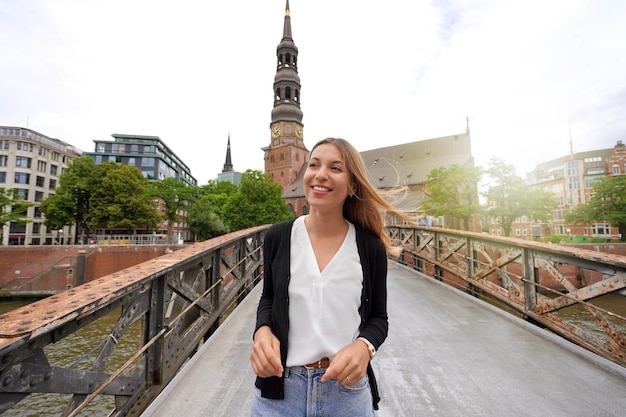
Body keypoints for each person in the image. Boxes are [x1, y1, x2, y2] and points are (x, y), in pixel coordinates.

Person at [250, 137, 411, 416]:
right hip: (279, 395)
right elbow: (269, 298)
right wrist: (262, 332)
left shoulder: (368, 246)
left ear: (352, 186)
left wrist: (365, 347)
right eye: (313, 164)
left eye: (335, 168)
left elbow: (378, 319)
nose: (320, 174)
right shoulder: (278, 237)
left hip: (345, 394)